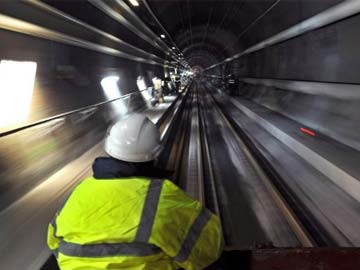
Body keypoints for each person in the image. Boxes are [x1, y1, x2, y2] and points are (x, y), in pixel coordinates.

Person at [47, 113, 223, 270]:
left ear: (109, 149)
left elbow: (54, 242)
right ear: (155, 155)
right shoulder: (162, 196)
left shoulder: (81, 190)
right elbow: (208, 249)